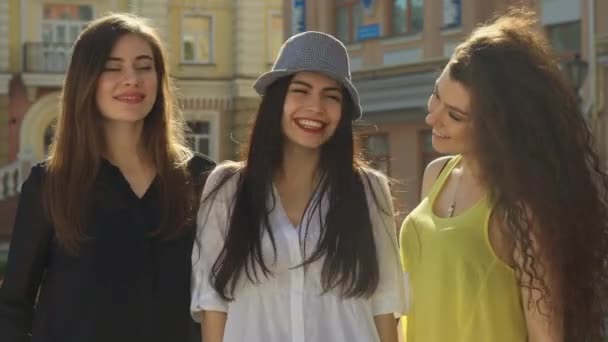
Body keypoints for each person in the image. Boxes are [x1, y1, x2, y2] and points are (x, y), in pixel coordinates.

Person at [0, 13, 215, 342]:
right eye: (112, 67)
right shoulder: (51, 185)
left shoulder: (201, 180)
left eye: (144, 67)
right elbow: (13, 306)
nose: (132, 79)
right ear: (86, 79)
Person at [399, 8, 608, 342]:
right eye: (436, 94)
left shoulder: (521, 208)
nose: (432, 118)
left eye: (454, 115)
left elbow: (547, 336)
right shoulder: (435, 175)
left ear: (497, 127)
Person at [190, 31, 407, 342]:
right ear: (276, 100)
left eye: (331, 96)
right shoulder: (227, 188)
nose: (315, 107)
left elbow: (384, 304)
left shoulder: (370, 190)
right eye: (301, 91)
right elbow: (212, 304)